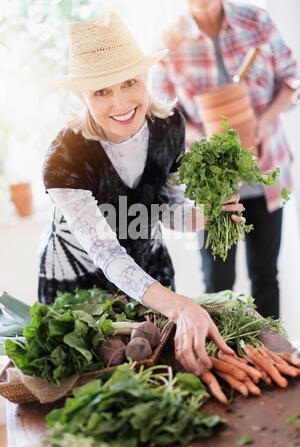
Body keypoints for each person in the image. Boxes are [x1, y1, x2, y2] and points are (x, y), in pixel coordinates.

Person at [38, 11, 245, 376]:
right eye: (102, 91)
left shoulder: (169, 127)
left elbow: (166, 207)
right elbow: (104, 250)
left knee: (161, 375)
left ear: (146, 77)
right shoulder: (63, 158)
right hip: (80, 291)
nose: (120, 103)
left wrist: (206, 215)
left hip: (149, 271)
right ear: (82, 95)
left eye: (129, 82)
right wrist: (178, 306)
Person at [151, 0, 299, 319]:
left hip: (264, 173)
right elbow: (163, 113)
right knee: (218, 284)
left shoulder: (255, 20)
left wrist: (262, 122)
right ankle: (222, 361)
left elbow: (291, 79)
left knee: (265, 277)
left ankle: (274, 363)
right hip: (212, 188)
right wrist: (201, 135)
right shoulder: (170, 39)